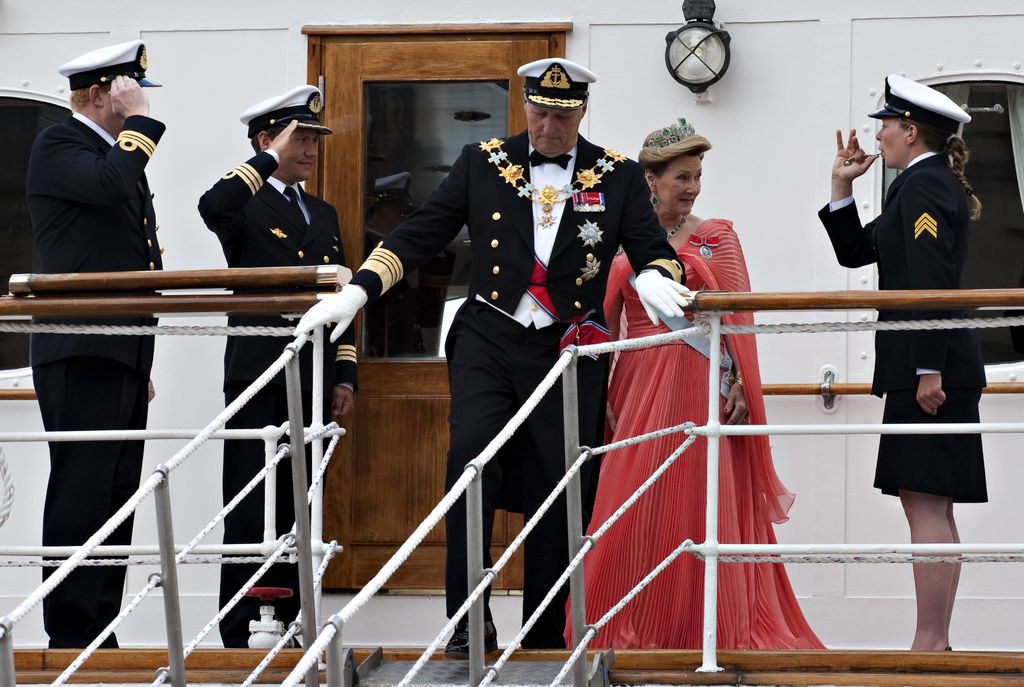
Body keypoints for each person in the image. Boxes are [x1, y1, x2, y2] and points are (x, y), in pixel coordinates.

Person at [295, 58, 691, 655]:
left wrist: (658, 277)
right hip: (488, 335)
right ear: (525, 106)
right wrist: (359, 290)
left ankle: (543, 635)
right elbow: (421, 232)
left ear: (582, 112)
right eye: (538, 111)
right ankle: (467, 625)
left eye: (561, 114)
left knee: (560, 485)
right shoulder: (484, 163)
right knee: (468, 461)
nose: (547, 126)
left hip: (568, 343)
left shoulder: (618, 176)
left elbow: (653, 248)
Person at [565, 119, 824, 649]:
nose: (692, 188)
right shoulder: (619, 243)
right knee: (638, 505)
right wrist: (604, 400)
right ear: (650, 180)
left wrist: (739, 387)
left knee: (702, 503)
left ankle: (711, 629)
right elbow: (601, 328)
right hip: (638, 390)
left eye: (698, 176)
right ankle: (629, 624)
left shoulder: (716, 238)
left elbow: (741, 324)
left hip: (703, 387)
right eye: (682, 177)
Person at [819, 74, 986, 650]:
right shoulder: (916, 185)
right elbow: (855, 252)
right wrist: (841, 186)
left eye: (885, 125)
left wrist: (927, 370)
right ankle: (933, 638)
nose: (878, 135)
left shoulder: (924, 187)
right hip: (930, 363)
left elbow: (932, 282)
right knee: (927, 503)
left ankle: (930, 642)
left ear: (910, 131)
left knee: (927, 505)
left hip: (932, 368)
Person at [197, 85, 357, 647]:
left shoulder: (324, 212)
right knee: (248, 498)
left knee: (297, 502)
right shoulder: (245, 204)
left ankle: (290, 622)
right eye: (300, 139)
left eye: (316, 139)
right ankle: (240, 628)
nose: (312, 150)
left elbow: (343, 291)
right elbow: (211, 206)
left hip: (311, 372)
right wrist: (264, 162)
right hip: (258, 370)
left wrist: (344, 372)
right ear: (267, 141)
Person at [25, 40, 164, 648]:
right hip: (79, 347)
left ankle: (99, 624)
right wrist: (141, 125)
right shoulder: (61, 143)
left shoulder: (108, 152)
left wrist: (140, 358)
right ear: (104, 92)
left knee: (115, 492)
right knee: (81, 487)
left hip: (120, 349)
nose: (138, 100)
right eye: (130, 90)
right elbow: (109, 190)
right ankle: (70, 632)